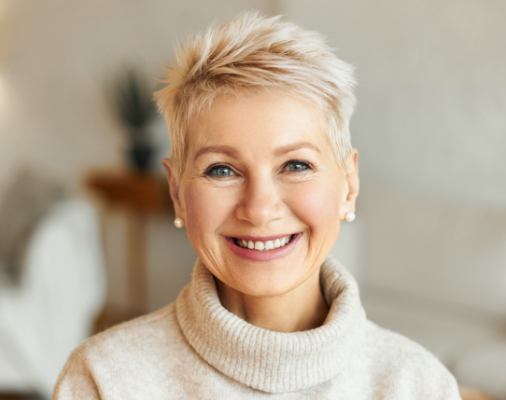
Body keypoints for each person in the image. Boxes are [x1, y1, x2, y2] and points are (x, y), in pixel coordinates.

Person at [53, 12, 461, 399]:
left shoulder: (418, 385)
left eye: (296, 165)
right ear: (177, 192)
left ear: (349, 184)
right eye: (221, 170)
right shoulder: (105, 380)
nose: (260, 209)